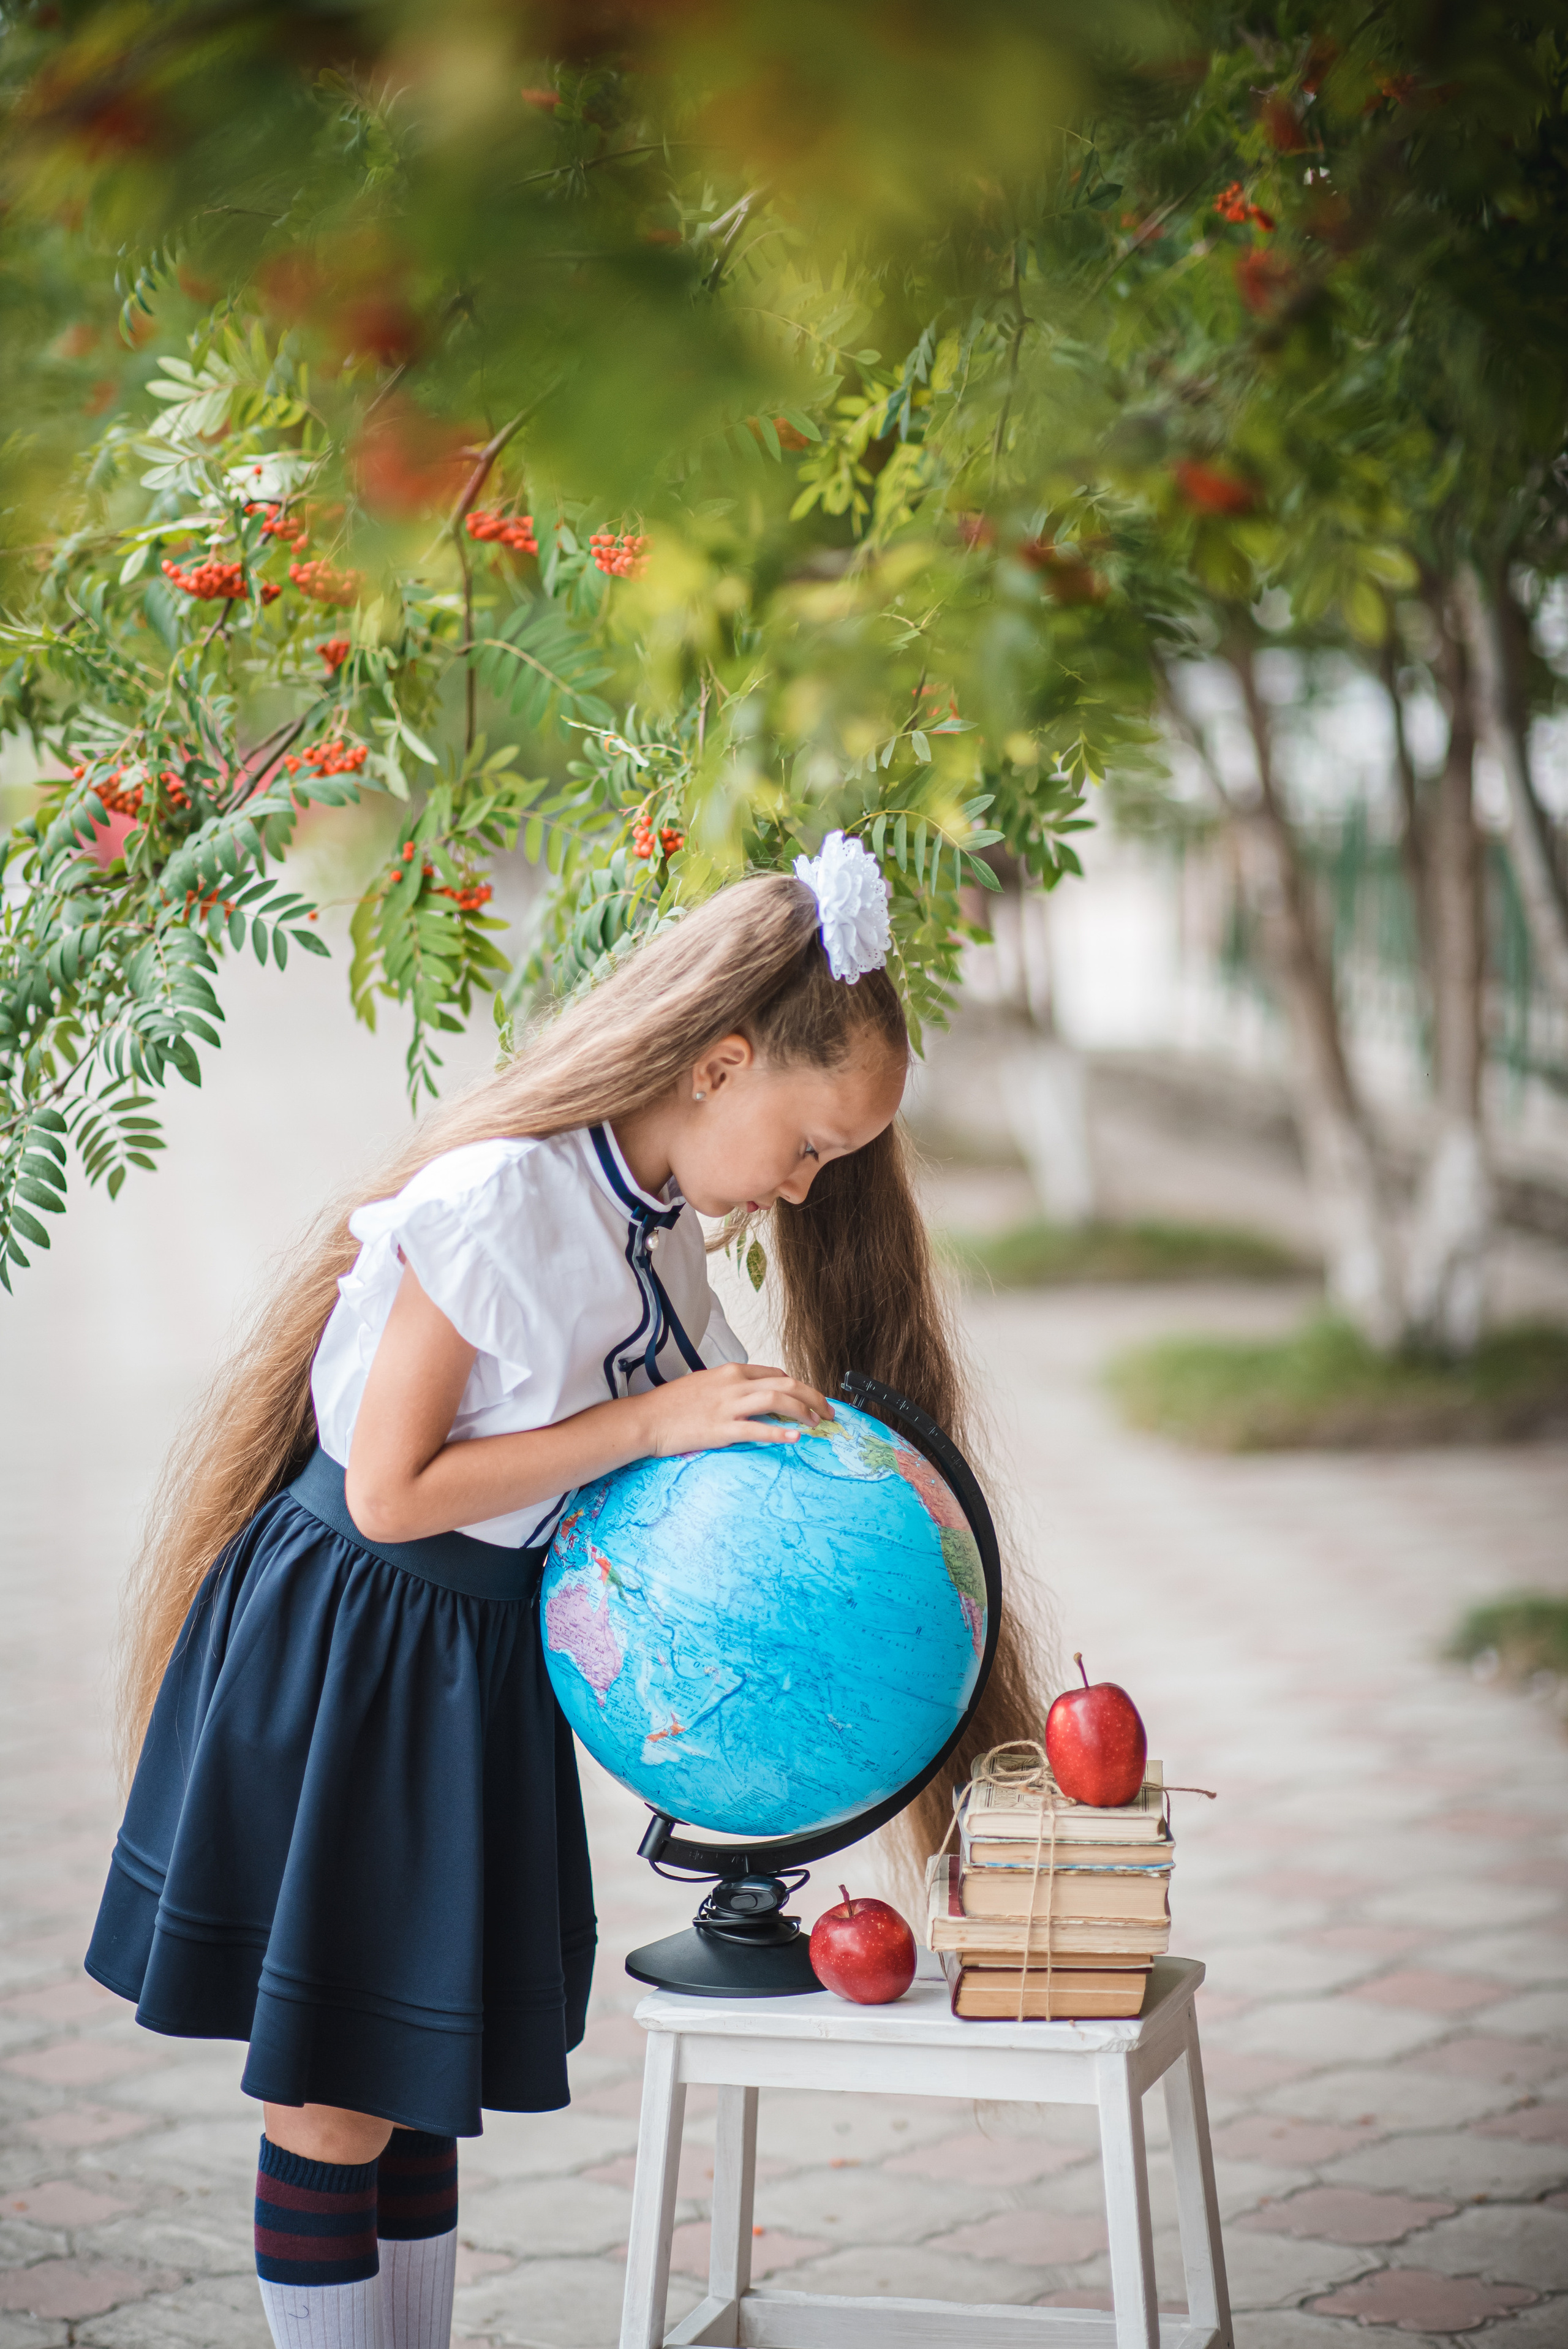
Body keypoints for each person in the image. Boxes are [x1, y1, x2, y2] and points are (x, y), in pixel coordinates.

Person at [85, 836, 1041, 2349]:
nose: (804, 1185)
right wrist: (652, 1422)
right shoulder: (503, 1199)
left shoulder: (661, 1230)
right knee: (338, 2102)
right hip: (358, 1647)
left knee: (419, 2094)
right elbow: (394, 1490)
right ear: (720, 1066)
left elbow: (647, 1457)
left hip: (472, 1659)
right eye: (807, 1146)